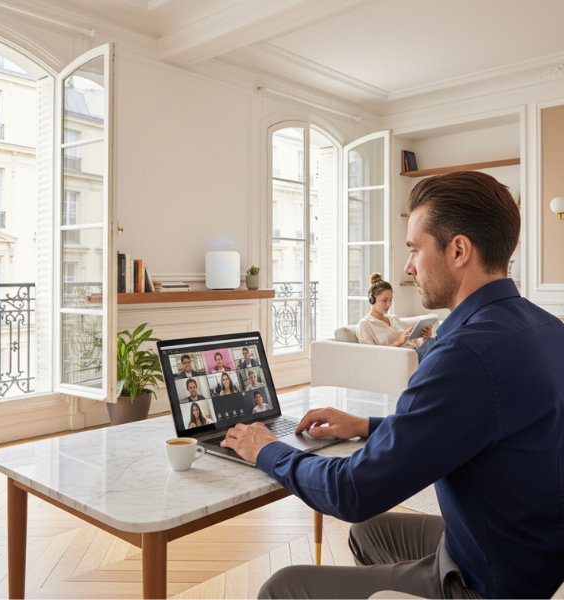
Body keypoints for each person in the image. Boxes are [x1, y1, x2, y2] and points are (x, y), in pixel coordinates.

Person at [221, 171, 564, 600]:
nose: (407, 267)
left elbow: (353, 491)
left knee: (283, 587)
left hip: (487, 583)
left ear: (458, 250)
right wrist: (365, 425)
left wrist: (266, 448)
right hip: (526, 553)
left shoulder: (463, 355)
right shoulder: (548, 329)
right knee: (370, 533)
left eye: (414, 249)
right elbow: (473, 424)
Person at [357, 273, 435, 363]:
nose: (389, 304)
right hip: (400, 360)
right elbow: (371, 356)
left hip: (414, 354)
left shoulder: (393, 319)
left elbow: (413, 343)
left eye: (391, 300)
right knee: (436, 345)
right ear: (372, 299)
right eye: (384, 300)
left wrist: (425, 338)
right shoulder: (365, 324)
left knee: (435, 342)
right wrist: (399, 342)